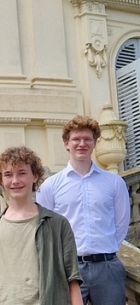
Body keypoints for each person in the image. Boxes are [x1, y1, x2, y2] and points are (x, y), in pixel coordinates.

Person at [0, 146, 83, 305]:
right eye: (8, 175)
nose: (15, 181)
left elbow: (73, 279)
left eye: (22, 173)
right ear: (1, 180)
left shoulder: (58, 225)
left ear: (35, 176)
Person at [37, 115, 129, 305]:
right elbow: (45, 228)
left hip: (107, 268)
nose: (82, 144)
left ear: (95, 143)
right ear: (66, 143)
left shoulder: (114, 183)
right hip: (68, 268)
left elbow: (121, 225)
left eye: (87, 139)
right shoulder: (50, 186)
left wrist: (103, 249)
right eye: (76, 139)